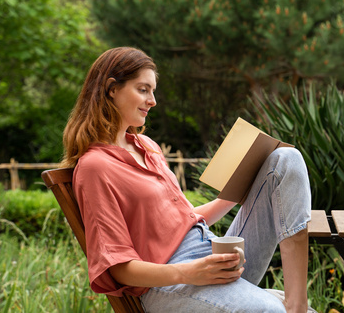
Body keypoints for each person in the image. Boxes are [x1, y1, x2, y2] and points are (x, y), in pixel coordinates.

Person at [61, 47, 313, 313]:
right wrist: (188, 273)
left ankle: (297, 303)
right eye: (143, 89)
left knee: (286, 158)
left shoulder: (147, 146)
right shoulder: (95, 167)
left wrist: (238, 185)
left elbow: (183, 219)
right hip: (170, 283)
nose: (153, 100)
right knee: (271, 311)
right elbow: (119, 267)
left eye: (153, 91)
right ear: (112, 89)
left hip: (211, 256)